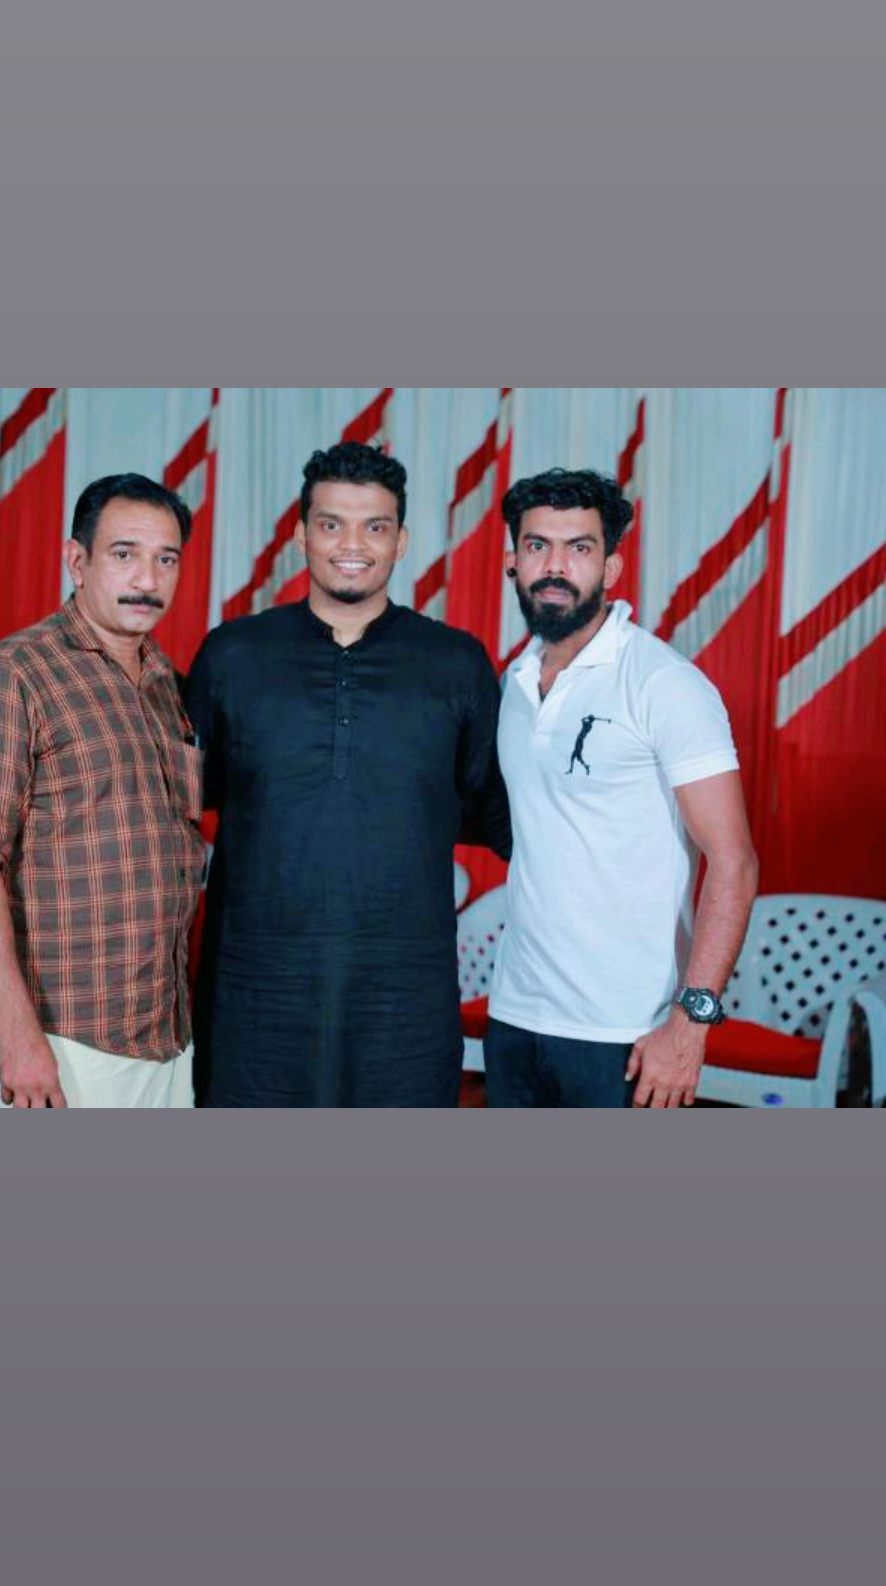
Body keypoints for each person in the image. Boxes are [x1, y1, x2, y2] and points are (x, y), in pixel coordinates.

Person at [185, 441, 511, 1107]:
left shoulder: (457, 664)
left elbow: (495, 811)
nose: (352, 545)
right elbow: (179, 804)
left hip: (404, 1004)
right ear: (301, 534)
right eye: (331, 524)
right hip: (253, 997)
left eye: (375, 526)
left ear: (401, 541)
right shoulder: (231, 655)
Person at [486, 466, 759, 1109]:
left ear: (610, 566)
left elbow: (734, 861)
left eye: (579, 547)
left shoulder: (663, 684)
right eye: (537, 545)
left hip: (630, 1032)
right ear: (512, 561)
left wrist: (690, 1024)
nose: (555, 566)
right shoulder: (513, 682)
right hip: (515, 1015)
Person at [0, 474, 205, 1110]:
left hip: (165, 1030)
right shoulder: (11, 676)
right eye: (124, 554)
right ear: (77, 561)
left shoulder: (167, 685)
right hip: (64, 1040)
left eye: (166, 559)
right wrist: (18, 1034)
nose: (147, 579)